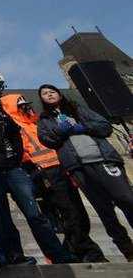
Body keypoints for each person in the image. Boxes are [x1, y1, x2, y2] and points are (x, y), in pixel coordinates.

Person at [0, 79, 75, 264]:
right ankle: (15, 256)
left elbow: (14, 132)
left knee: (35, 214)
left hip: (13, 168)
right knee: (3, 219)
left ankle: (58, 255)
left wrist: (16, 158)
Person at [1, 93, 105, 262]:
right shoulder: (14, 126)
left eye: (26, 104)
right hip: (44, 172)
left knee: (78, 212)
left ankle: (71, 249)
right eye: (21, 105)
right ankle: (88, 252)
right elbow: (22, 152)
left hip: (60, 168)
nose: (26, 107)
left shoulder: (35, 121)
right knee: (70, 213)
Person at [37, 84, 133, 261]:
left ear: (59, 94)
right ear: (41, 99)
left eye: (52, 91)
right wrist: (61, 130)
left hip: (104, 160)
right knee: (104, 210)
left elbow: (105, 126)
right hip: (79, 168)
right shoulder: (45, 120)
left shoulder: (78, 109)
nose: (49, 94)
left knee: (127, 199)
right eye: (45, 93)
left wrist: (83, 126)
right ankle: (128, 250)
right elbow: (47, 139)